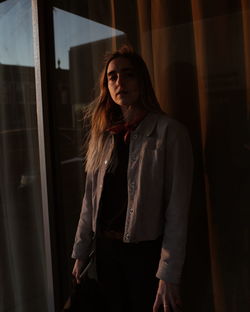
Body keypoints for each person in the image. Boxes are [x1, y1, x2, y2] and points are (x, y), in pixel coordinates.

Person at [72, 45, 193, 312]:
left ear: (142, 81)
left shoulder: (170, 133)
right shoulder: (104, 136)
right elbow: (90, 201)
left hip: (145, 255)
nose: (119, 82)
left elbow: (177, 209)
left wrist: (168, 273)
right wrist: (81, 252)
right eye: (112, 77)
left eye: (128, 74)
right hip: (105, 252)